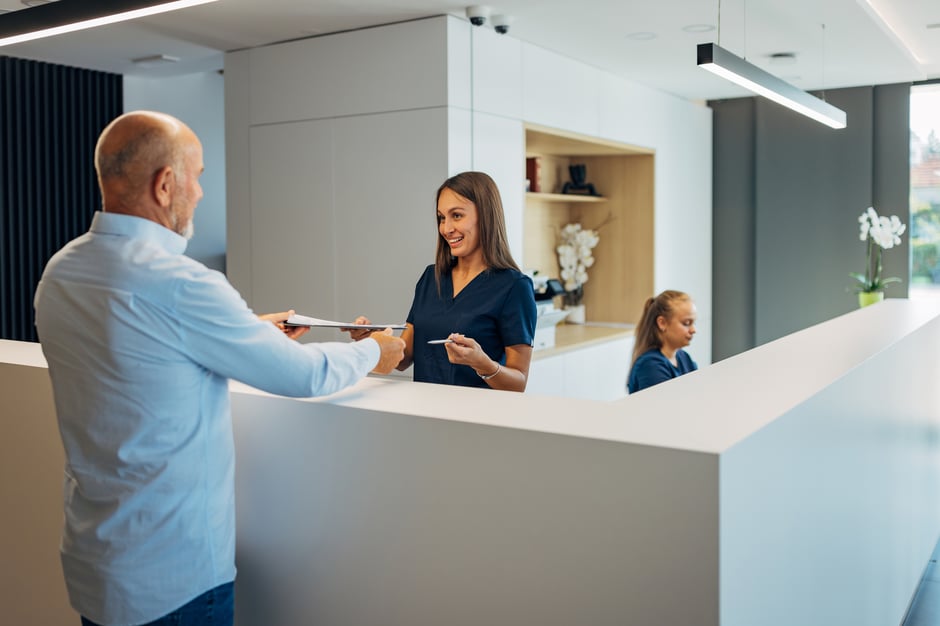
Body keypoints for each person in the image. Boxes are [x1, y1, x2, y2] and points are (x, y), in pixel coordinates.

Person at [33, 110, 405, 626]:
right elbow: (304, 376)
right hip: (175, 579)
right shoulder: (182, 284)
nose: (202, 193)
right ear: (165, 184)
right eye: (198, 176)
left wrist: (244, 329)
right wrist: (376, 353)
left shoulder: (62, 271)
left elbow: (137, 347)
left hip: (97, 567)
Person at [348, 171, 537, 391]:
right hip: (427, 413)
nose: (446, 229)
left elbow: (518, 383)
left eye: (456, 215)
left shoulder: (514, 287)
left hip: (478, 419)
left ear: (486, 215)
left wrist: (481, 363)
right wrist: (370, 338)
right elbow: (403, 357)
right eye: (441, 218)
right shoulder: (431, 277)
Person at [627, 290, 698, 394]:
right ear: (662, 323)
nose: (693, 330)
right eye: (686, 323)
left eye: (694, 323)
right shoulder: (651, 366)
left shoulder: (684, 357)